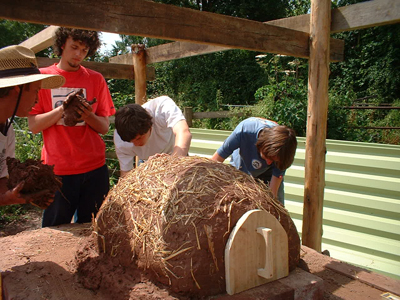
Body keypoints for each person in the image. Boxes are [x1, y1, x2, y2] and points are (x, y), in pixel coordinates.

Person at [27, 28, 116, 227]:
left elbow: (104, 127)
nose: (78, 54)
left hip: (94, 168)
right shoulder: (42, 77)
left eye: (84, 50)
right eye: (74, 47)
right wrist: (62, 110)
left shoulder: (96, 79)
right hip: (58, 170)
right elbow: (33, 125)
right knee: (55, 231)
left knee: (93, 229)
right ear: (61, 45)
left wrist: (87, 115)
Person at [0, 45, 65, 207]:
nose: (37, 100)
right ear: (18, 89)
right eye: (36, 91)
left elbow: (1, 180)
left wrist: (23, 194)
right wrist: (6, 199)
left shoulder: (7, 130)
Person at [211, 117, 297, 205]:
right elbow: (216, 160)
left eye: (273, 161)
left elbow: (273, 192)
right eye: (268, 158)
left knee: (276, 207)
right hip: (241, 166)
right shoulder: (244, 131)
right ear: (261, 145)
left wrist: (272, 205)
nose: (268, 163)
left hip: (267, 175)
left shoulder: (284, 151)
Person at [114, 96, 192, 176]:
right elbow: (126, 173)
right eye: (131, 141)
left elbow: (184, 132)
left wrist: (172, 163)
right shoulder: (120, 139)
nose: (136, 144)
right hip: (147, 164)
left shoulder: (161, 107)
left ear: (149, 125)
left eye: (139, 138)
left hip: (177, 154)